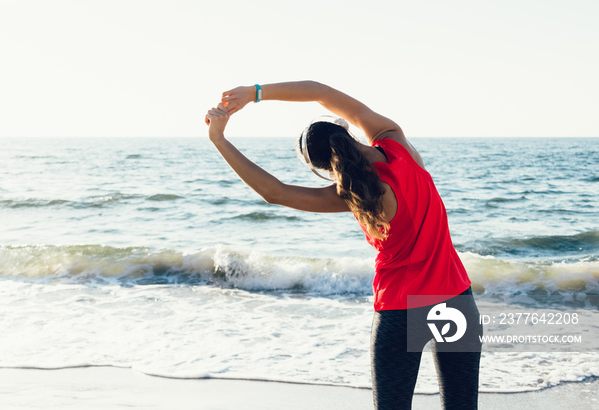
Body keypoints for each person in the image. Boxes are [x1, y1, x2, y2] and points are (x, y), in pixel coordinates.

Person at [204, 81, 481, 410]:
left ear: (323, 169)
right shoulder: (395, 141)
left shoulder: (354, 195)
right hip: (456, 300)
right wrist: (255, 93)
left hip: (400, 310)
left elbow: (275, 193)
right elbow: (319, 91)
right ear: (347, 133)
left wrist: (219, 139)